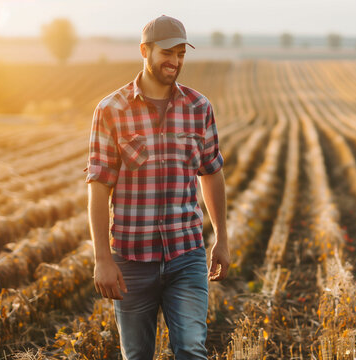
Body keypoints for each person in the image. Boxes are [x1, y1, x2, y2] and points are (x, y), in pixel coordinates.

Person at [84, 15, 229, 360]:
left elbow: (211, 172)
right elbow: (99, 188)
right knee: (137, 356)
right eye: (167, 53)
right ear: (144, 51)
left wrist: (222, 238)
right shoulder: (111, 111)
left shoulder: (198, 108)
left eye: (181, 53)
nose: (175, 61)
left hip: (187, 255)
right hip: (132, 260)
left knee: (192, 350)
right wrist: (102, 259)